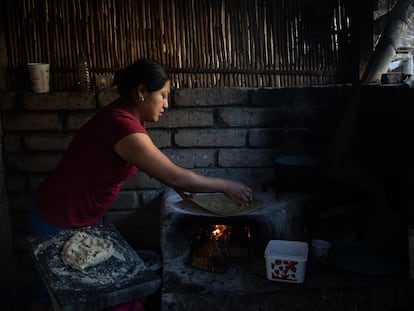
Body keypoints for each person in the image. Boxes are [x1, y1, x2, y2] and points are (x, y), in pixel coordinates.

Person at [29, 58, 253, 311]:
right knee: (50, 297)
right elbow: (173, 175)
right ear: (141, 92)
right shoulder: (121, 124)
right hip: (58, 216)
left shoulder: (129, 118)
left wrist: (175, 182)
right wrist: (226, 185)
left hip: (86, 217)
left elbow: (151, 165)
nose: (167, 104)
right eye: (164, 95)